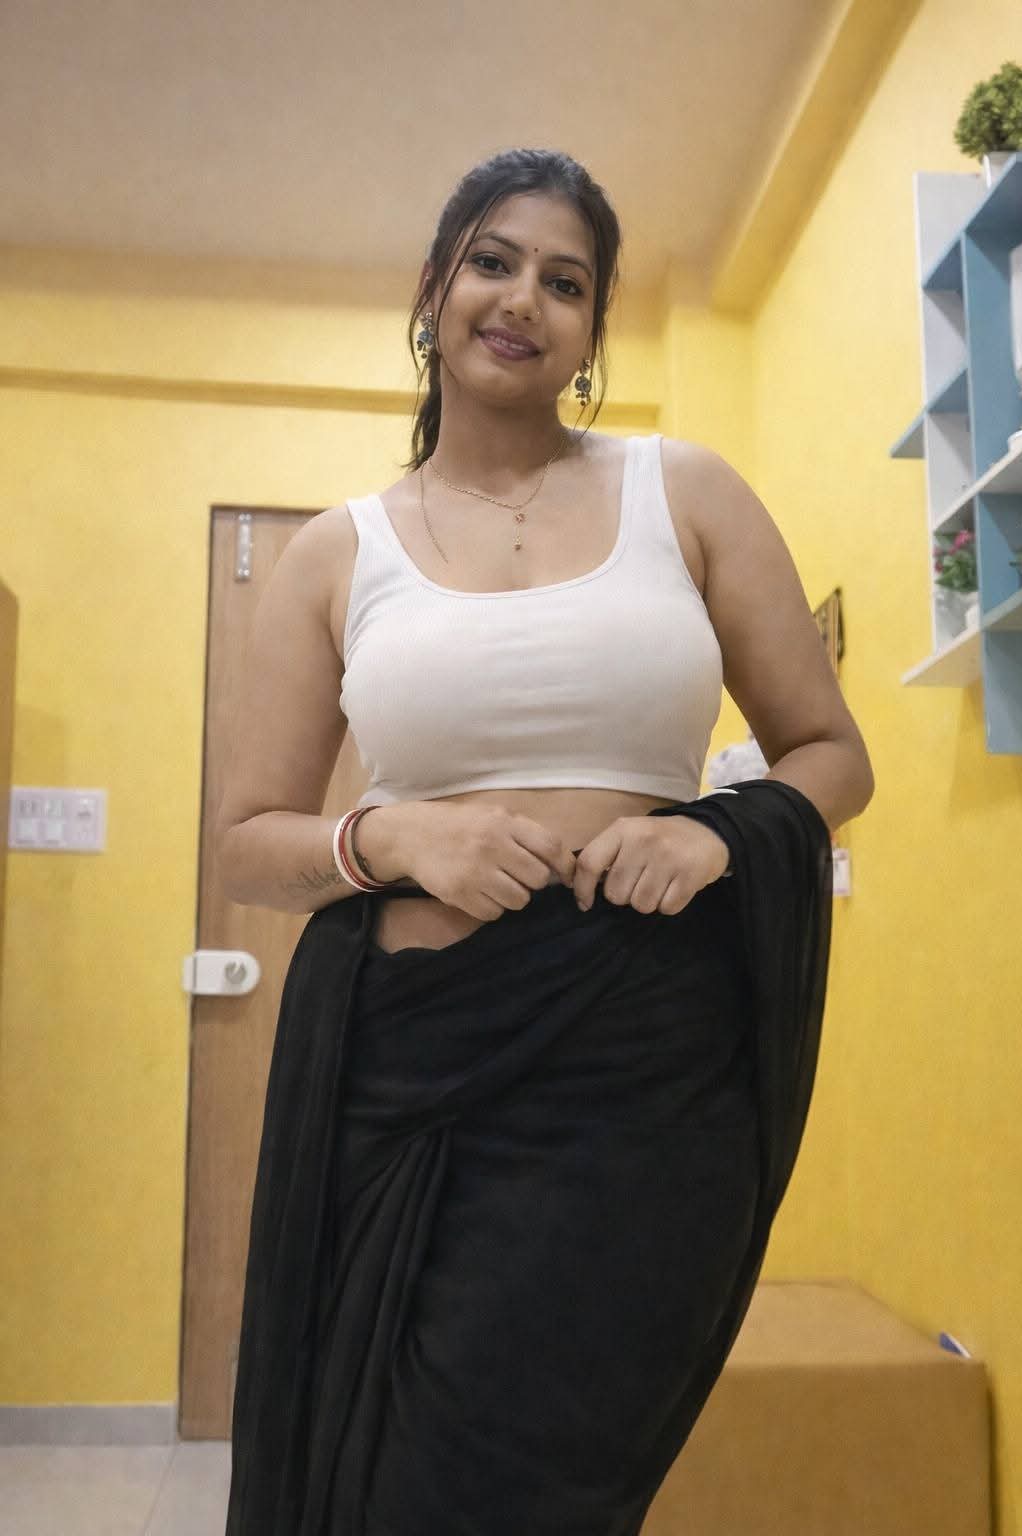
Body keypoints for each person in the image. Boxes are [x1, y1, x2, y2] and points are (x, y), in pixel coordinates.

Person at [219, 148, 873, 1536]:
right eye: (494, 261)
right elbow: (248, 846)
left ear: (592, 329)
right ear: (434, 288)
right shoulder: (335, 554)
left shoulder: (685, 493)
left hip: (645, 1081)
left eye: (566, 282)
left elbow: (833, 755)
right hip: (410, 1070)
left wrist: (719, 835)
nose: (524, 299)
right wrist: (394, 837)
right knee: (389, 1485)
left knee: (559, 1482)